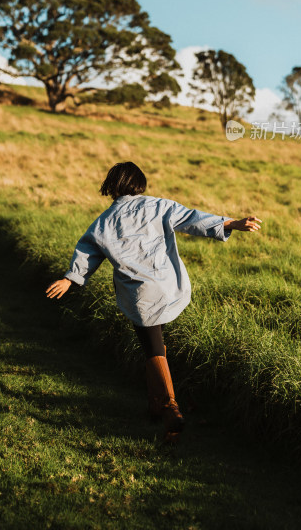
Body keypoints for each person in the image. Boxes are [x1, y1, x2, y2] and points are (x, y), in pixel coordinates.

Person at [46, 161, 262, 442]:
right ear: (139, 183)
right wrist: (229, 223)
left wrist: (70, 279)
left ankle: (171, 407)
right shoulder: (159, 205)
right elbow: (191, 219)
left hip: (139, 295)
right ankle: (154, 407)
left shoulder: (103, 222)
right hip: (167, 285)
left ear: (112, 186)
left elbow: (88, 253)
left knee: (152, 348)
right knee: (154, 343)